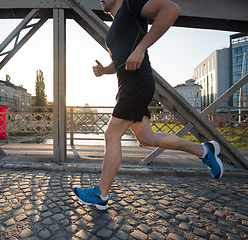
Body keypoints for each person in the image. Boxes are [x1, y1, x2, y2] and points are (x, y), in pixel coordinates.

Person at [72, 0, 224, 211]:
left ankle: (101, 193)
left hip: (137, 82)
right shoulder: (116, 27)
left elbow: (172, 9)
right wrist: (105, 70)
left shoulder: (130, 5)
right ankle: (205, 150)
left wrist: (142, 47)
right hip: (128, 85)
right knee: (146, 138)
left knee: (111, 135)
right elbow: (122, 59)